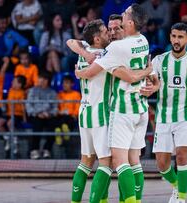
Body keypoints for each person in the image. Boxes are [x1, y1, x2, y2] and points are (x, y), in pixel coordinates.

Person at [75, 4, 152, 203]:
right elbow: (137, 72)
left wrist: (79, 72)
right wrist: (149, 77)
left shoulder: (115, 49)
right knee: (130, 162)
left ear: (129, 23)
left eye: (118, 26)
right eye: (108, 30)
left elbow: (94, 70)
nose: (113, 32)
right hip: (139, 108)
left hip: (119, 110)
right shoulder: (143, 40)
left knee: (115, 162)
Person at [144, 23, 187, 203]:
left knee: (182, 155)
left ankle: (181, 198)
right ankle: (176, 185)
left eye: (180, 37)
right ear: (170, 37)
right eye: (174, 36)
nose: (176, 40)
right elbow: (151, 82)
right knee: (161, 164)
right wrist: (149, 85)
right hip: (163, 117)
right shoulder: (159, 61)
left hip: (185, 117)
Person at [68, 19, 113, 203]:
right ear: (96, 39)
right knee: (106, 163)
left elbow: (71, 41)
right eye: (104, 32)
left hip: (84, 112)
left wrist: (83, 54)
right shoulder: (104, 54)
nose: (108, 33)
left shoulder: (86, 51)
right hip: (100, 114)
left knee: (85, 162)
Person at [26, 72, 57, 159]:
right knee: (37, 125)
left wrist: (49, 114)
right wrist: (37, 113)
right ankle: (34, 150)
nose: (41, 81)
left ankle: (47, 150)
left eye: (44, 79)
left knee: (53, 126)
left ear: (48, 81)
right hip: (35, 115)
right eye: (40, 78)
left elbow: (55, 107)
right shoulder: (32, 91)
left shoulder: (52, 93)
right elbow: (28, 105)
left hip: (48, 115)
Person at [55, 75, 80, 147]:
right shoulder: (59, 94)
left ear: (72, 84)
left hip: (71, 116)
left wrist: (71, 113)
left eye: (67, 83)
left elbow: (78, 108)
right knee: (57, 122)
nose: (64, 85)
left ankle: (65, 135)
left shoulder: (76, 94)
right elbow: (57, 107)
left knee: (66, 120)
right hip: (60, 116)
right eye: (63, 83)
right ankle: (59, 137)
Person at [5, 75, 27, 154]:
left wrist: (24, 118)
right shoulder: (10, 90)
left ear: (20, 84)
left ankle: (13, 142)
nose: (12, 83)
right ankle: (10, 139)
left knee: (10, 123)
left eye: (14, 82)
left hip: (18, 114)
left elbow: (23, 106)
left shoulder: (22, 93)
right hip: (8, 114)